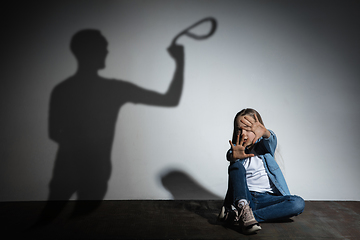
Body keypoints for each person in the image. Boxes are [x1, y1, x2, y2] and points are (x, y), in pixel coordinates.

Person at [217, 108, 305, 234]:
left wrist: (266, 132)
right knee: (235, 167)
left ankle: (238, 217)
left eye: (248, 129)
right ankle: (243, 210)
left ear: (258, 129)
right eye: (239, 129)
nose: (243, 133)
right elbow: (230, 155)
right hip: (246, 198)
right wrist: (233, 157)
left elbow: (271, 140)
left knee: (298, 203)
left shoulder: (264, 149)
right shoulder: (237, 152)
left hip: (267, 200)